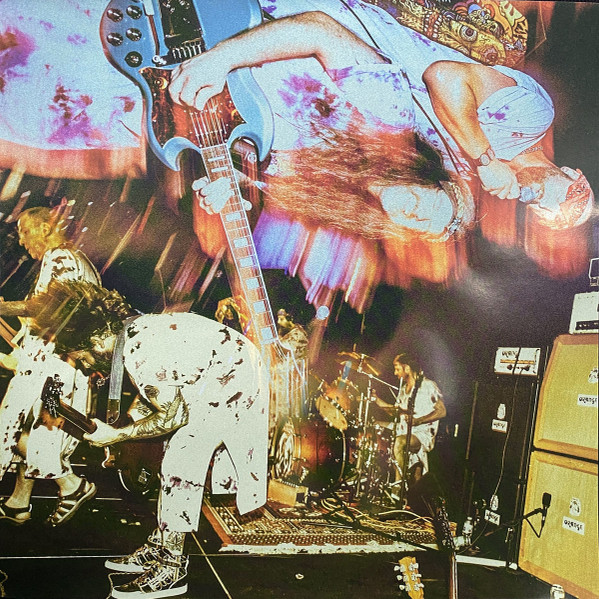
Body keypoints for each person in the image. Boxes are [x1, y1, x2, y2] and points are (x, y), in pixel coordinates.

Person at [24, 279, 270, 599]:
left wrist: (119, 434)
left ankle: (172, 568)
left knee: (181, 459)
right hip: (228, 370)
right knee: (173, 455)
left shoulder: (140, 351)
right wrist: (129, 426)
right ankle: (162, 544)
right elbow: (164, 388)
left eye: (82, 357)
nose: (85, 365)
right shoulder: (135, 331)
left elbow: (173, 416)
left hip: (235, 379)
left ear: (96, 340)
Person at [0, 207, 100, 527]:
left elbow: (53, 309)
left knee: (16, 428)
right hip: (54, 367)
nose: (21, 240)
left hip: (56, 371)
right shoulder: (69, 258)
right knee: (33, 430)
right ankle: (18, 503)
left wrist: (5, 308)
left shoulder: (61, 257)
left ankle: (72, 485)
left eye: (25, 231)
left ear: (45, 228)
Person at [374, 353, 446, 493]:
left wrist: (418, 420)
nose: (395, 373)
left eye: (397, 369)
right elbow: (395, 413)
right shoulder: (403, 390)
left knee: (399, 442)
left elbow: (442, 411)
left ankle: (398, 486)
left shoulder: (428, 386)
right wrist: (376, 400)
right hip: (403, 428)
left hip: (421, 433)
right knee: (373, 424)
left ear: (407, 368)